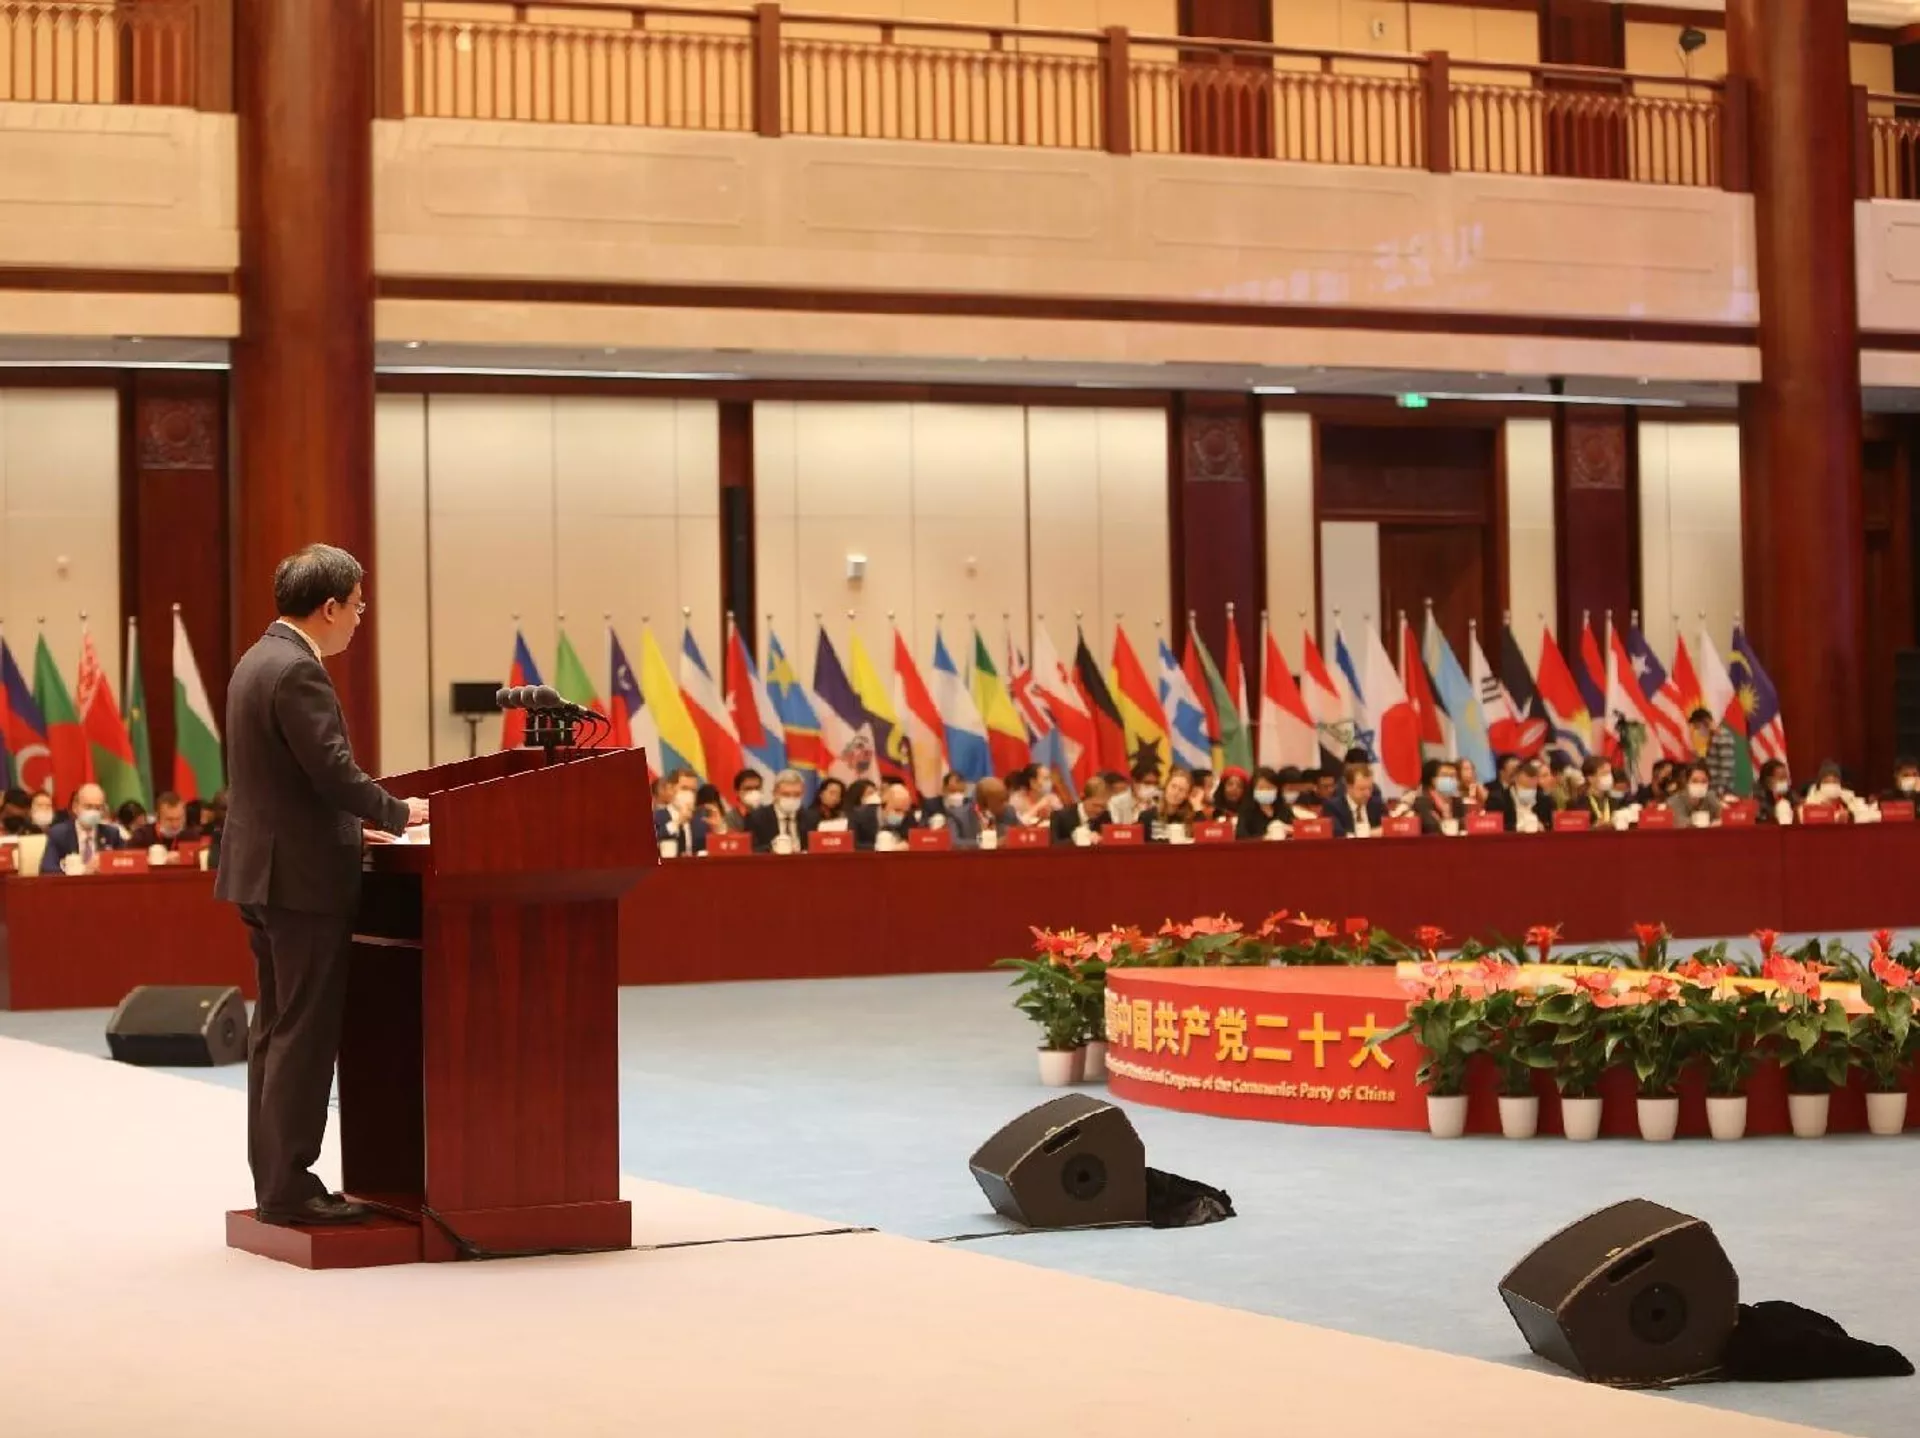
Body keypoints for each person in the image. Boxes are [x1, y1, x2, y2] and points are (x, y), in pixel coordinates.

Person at [214, 544, 425, 1228]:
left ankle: (276, 1182)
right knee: (303, 1036)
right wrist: (399, 813)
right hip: (302, 880)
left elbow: (288, 779)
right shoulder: (299, 670)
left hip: (263, 870)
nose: (360, 619)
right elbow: (331, 771)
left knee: (275, 1031)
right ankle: (291, 1189)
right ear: (329, 607)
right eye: (358, 607)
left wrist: (354, 823)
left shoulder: (255, 660)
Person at [39, 782, 126, 873]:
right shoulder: (58, 834)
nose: (93, 812)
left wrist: (106, 865)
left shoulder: (112, 834)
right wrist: (82, 871)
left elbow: (127, 865)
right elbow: (47, 870)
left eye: (98, 808)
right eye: (88, 807)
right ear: (75, 807)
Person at [748, 769, 817, 853]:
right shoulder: (757, 818)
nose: (792, 799)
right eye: (786, 794)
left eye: (797, 794)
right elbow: (750, 849)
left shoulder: (811, 818)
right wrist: (771, 849)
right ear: (774, 793)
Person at [1486, 758, 1556, 833]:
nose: (1528, 791)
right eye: (1524, 787)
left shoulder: (1545, 801)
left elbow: (1552, 826)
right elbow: (1494, 827)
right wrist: (1518, 827)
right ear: (1515, 780)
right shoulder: (1497, 800)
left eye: (1532, 787)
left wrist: (1542, 827)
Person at [950, 775, 1020, 848]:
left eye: (1006, 799)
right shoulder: (958, 816)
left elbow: (1022, 833)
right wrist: (988, 843)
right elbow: (954, 843)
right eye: (1001, 801)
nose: (1005, 805)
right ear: (984, 803)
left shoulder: (1009, 812)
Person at [852, 779, 921, 849]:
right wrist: (878, 848)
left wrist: (906, 845)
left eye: (905, 811)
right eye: (897, 810)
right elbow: (852, 844)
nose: (902, 815)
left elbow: (916, 841)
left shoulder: (909, 817)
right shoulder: (859, 815)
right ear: (883, 804)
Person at [1326, 761, 1386, 838]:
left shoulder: (1377, 804)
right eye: (1362, 789)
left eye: (1370, 788)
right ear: (1348, 787)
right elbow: (1338, 834)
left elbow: (1388, 829)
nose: (1367, 793)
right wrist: (1368, 834)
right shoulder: (1333, 807)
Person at [1689, 708, 1740, 796]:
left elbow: (1726, 766)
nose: (1698, 731)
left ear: (1705, 722)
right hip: (1712, 786)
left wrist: (1720, 790)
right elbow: (1713, 760)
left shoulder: (1722, 736)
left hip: (1720, 789)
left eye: (1698, 727)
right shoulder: (1712, 737)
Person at [128, 791, 201, 852]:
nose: (175, 825)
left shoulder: (191, 836)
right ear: (157, 817)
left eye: (179, 819)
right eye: (169, 819)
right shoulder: (141, 837)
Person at [1141, 768, 1197, 842]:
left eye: (1181, 790)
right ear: (1166, 786)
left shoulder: (1193, 818)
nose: (1175, 793)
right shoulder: (1147, 817)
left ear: (1187, 795)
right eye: (1173, 786)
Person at [1050, 774, 1110, 843]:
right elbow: (1053, 844)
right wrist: (1077, 840)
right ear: (1083, 798)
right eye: (1095, 805)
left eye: (1103, 807)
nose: (1099, 810)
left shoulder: (1106, 817)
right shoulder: (1060, 817)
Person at [1410, 759, 1463, 836]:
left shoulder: (1458, 802)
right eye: (1444, 775)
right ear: (1434, 780)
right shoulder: (1422, 802)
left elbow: (1465, 824)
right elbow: (1431, 827)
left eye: (1453, 776)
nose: (1449, 779)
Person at [655, 784, 710, 855]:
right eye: (688, 804)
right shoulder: (659, 816)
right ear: (675, 802)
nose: (692, 808)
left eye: (692, 804)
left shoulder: (698, 821)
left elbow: (705, 845)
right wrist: (677, 822)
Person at [1667, 761, 1723, 828]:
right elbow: (1680, 822)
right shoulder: (1675, 801)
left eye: (1704, 781)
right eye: (1694, 781)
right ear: (1686, 782)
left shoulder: (1710, 797)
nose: (1699, 785)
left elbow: (1723, 816)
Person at [1237, 767, 1288, 840]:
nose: (1265, 791)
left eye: (1270, 787)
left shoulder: (1284, 809)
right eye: (1261, 788)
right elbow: (1241, 837)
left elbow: (1297, 830)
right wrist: (1265, 838)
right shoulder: (1246, 811)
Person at [1578, 755, 1618, 829]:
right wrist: (1593, 828)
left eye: (1610, 773)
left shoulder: (1614, 802)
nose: (1609, 777)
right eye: (1604, 773)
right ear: (1591, 778)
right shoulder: (1577, 804)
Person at [1756, 758, 1795, 826]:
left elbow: (1799, 807)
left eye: (1786, 777)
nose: (1786, 782)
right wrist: (1777, 799)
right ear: (1769, 781)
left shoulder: (1789, 792)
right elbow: (1763, 816)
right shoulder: (1758, 795)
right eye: (1782, 778)